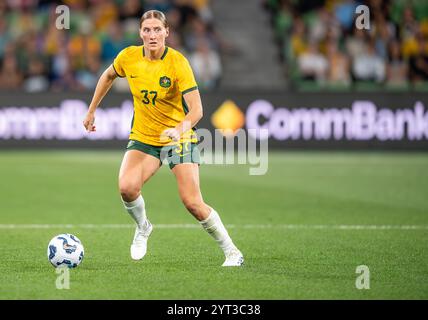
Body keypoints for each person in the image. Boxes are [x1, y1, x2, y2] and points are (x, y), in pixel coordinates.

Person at [83, 10, 243, 267]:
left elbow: (198, 110)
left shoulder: (178, 63)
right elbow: (108, 75)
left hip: (178, 138)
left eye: (158, 29)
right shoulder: (129, 57)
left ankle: (233, 252)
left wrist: (178, 130)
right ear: (140, 33)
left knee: (192, 202)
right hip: (145, 137)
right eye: (147, 30)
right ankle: (143, 227)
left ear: (167, 32)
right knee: (126, 188)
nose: (152, 35)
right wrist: (91, 110)